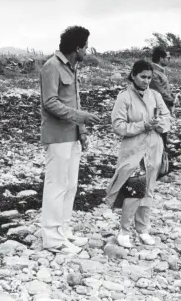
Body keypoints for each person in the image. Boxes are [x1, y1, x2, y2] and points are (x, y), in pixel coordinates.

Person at [40, 26, 101, 254]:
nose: (87, 50)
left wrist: (82, 131)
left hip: (73, 135)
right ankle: (52, 238)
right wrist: (81, 117)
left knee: (70, 185)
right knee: (56, 186)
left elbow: (74, 101)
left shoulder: (72, 68)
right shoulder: (51, 67)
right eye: (86, 46)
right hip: (57, 136)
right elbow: (50, 102)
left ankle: (63, 231)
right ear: (77, 48)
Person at [105, 60, 170, 248]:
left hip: (154, 149)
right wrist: (142, 125)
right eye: (143, 77)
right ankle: (124, 231)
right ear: (133, 75)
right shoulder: (124, 97)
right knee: (134, 190)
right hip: (134, 151)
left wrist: (160, 124)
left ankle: (142, 229)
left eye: (149, 77)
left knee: (148, 190)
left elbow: (167, 118)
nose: (146, 81)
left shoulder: (155, 95)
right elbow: (118, 126)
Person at [150, 46, 175, 113]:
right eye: (168, 58)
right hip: (160, 107)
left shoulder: (160, 71)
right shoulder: (154, 72)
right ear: (161, 58)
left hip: (165, 105)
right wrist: (173, 100)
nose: (169, 60)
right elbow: (160, 91)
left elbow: (164, 88)